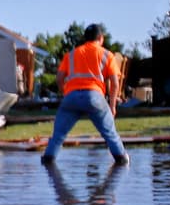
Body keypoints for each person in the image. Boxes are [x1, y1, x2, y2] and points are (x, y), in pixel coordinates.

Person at [40, 24, 129, 166]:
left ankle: (48, 160)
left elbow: (59, 78)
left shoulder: (71, 55)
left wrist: (67, 94)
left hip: (71, 97)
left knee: (57, 136)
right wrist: (112, 106)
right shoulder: (107, 55)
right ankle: (122, 159)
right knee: (110, 134)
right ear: (100, 38)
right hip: (95, 97)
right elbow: (115, 83)